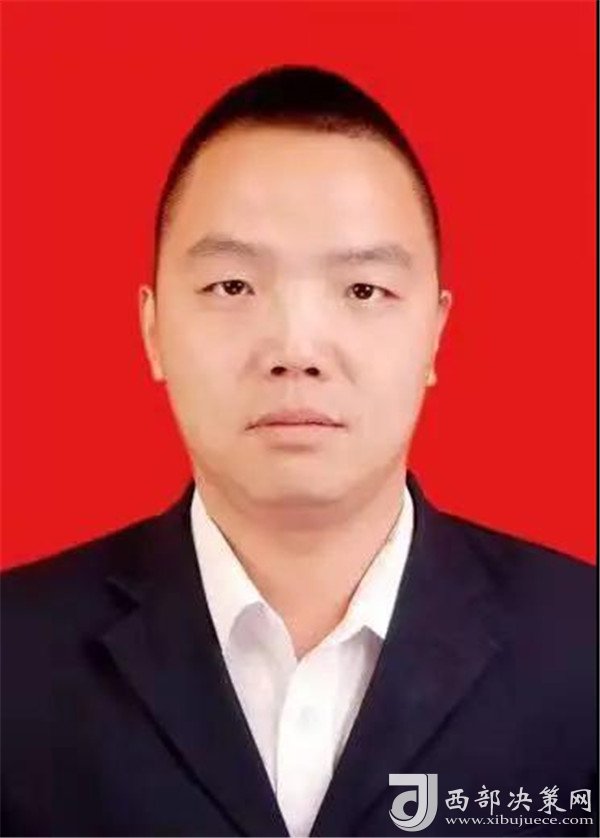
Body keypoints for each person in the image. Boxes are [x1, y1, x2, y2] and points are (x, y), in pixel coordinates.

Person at [1, 65, 595, 838]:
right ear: (152, 330)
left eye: (362, 291)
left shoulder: (581, 649)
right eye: (232, 287)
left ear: (435, 334)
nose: (296, 350)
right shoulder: (16, 658)